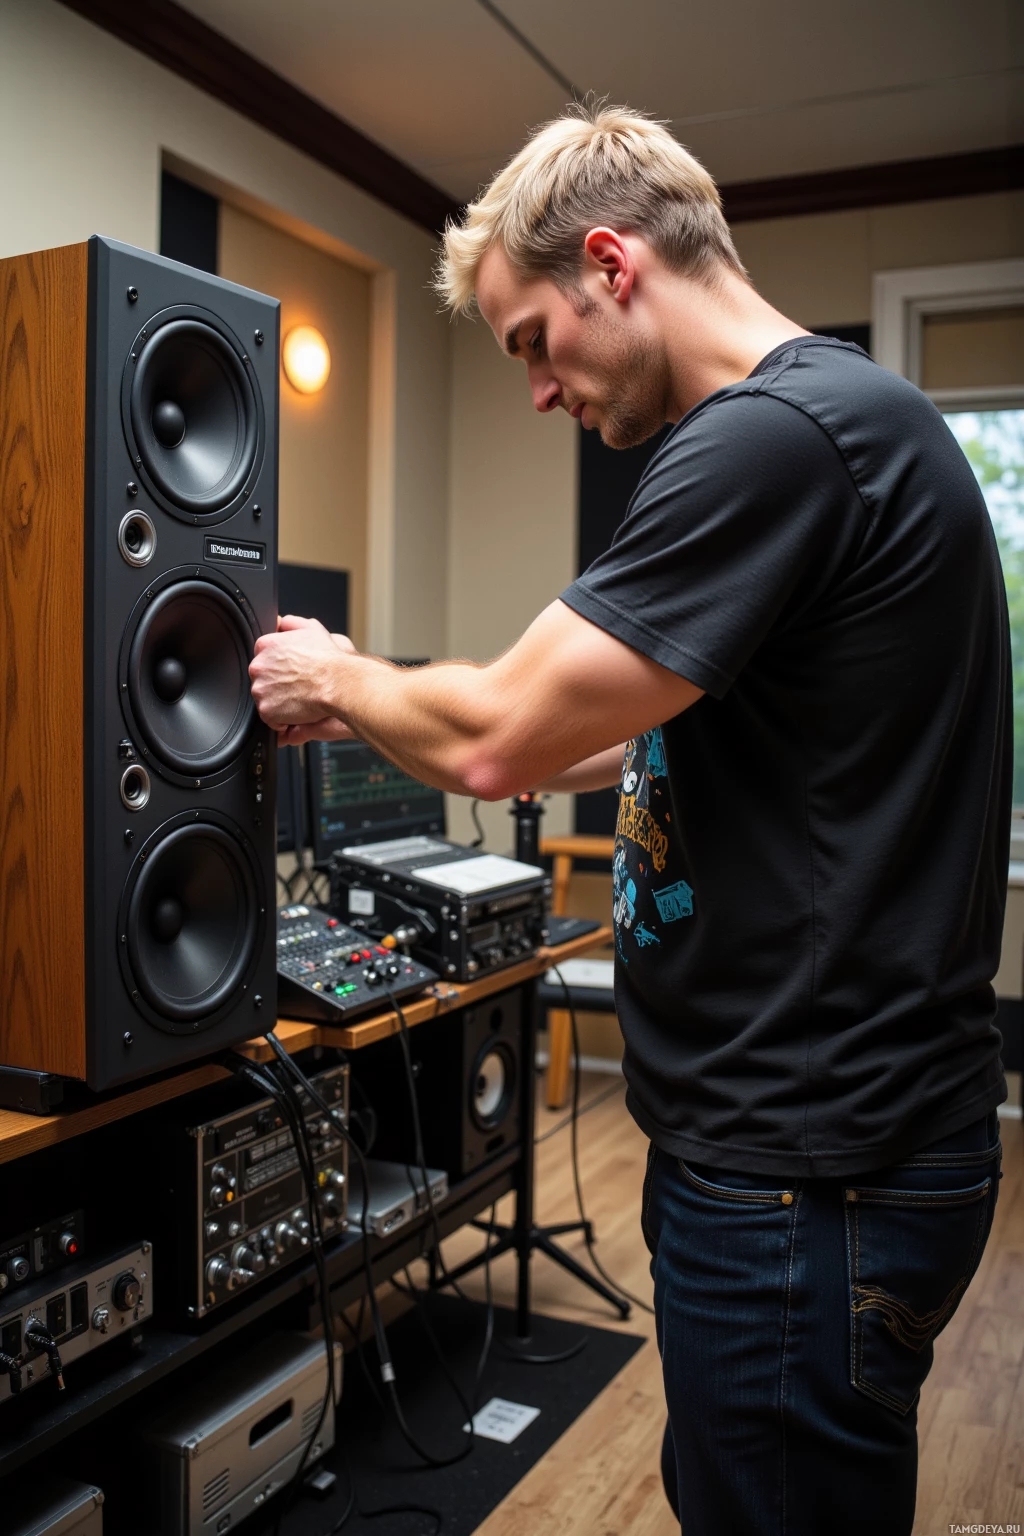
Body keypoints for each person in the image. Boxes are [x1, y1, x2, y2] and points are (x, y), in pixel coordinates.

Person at [249, 103, 1009, 1534]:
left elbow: (497, 747)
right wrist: (436, 719)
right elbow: (654, 732)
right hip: (845, 1148)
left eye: (533, 341)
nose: (539, 392)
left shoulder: (770, 440)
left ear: (611, 264)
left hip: (805, 1172)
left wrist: (337, 672)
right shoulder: (847, 420)